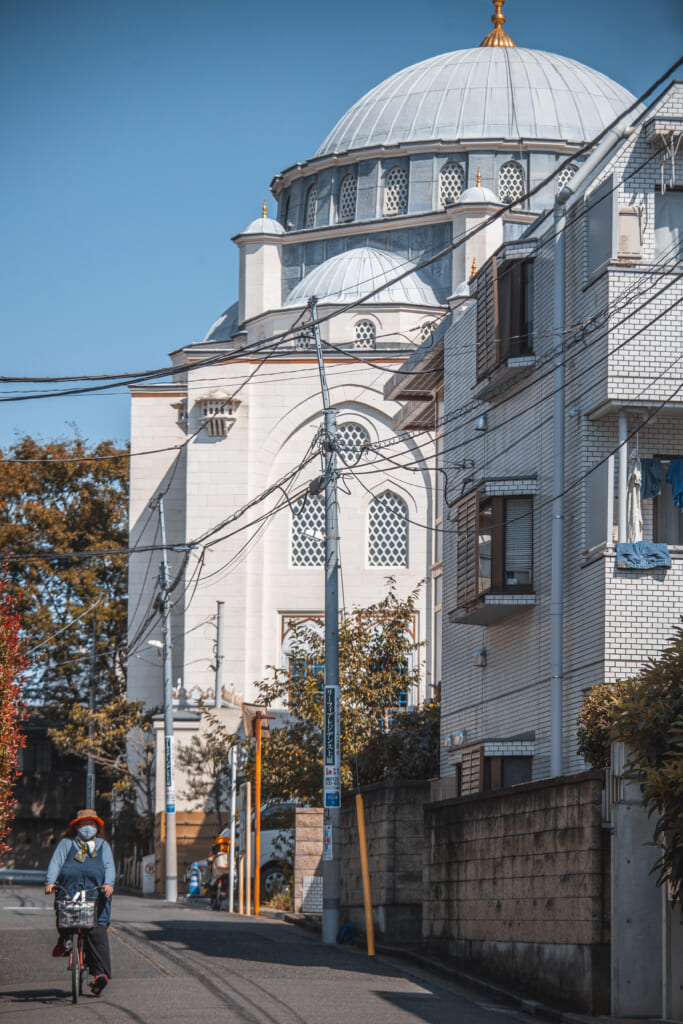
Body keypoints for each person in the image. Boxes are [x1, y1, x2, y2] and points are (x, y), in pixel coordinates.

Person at [45, 809, 115, 997]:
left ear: (97, 827)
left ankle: (100, 975)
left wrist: (108, 883)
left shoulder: (102, 846)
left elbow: (109, 866)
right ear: (76, 826)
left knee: (97, 931)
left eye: (91, 825)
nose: (87, 828)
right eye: (83, 824)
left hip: (96, 893)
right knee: (64, 917)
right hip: (70, 891)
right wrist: (50, 882)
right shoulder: (66, 844)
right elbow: (55, 863)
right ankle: (65, 940)